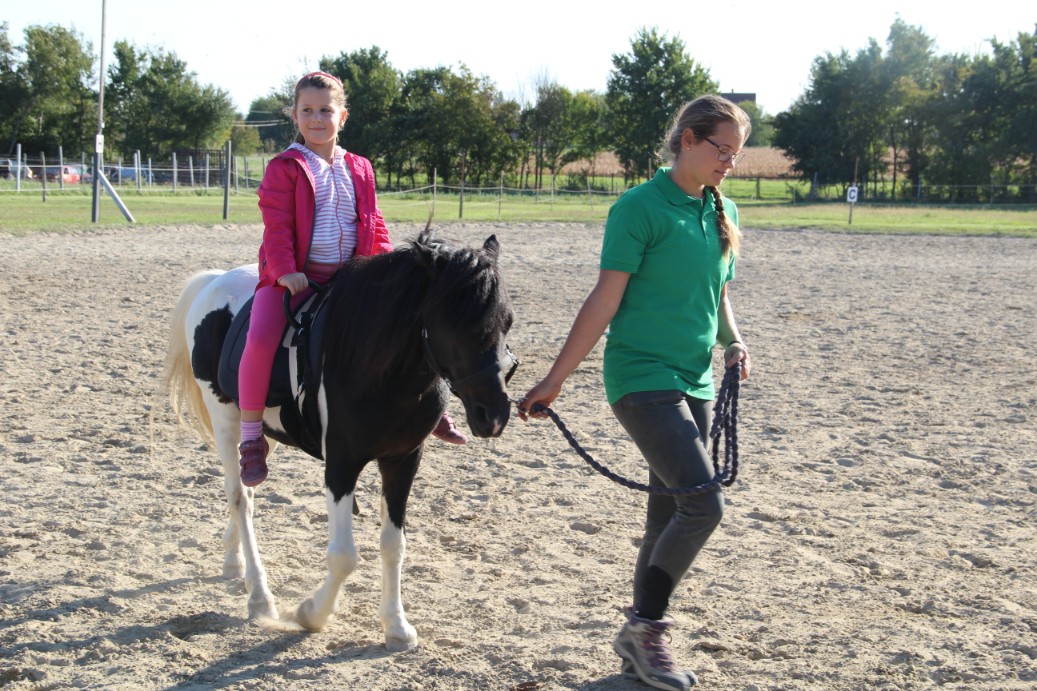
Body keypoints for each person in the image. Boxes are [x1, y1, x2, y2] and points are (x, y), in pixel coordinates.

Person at [518, 94, 753, 690]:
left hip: (696, 378)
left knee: (669, 512)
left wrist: (733, 342)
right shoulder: (638, 207)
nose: (729, 162)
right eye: (722, 149)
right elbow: (605, 298)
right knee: (704, 505)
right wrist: (555, 379)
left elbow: (717, 294)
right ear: (688, 140)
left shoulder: (721, 209)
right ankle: (646, 629)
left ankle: (637, 649)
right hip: (642, 377)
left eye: (736, 153)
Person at [238, 71, 466, 488]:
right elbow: (277, 225)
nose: (317, 118)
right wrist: (286, 270)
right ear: (295, 116)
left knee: (412, 326)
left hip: (354, 277)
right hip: (296, 278)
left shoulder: (359, 167)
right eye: (308, 110)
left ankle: (432, 409)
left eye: (325, 110)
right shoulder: (285, 167)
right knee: (261, 335)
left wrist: (387, 267)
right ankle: (252, 436)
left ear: (342, 116)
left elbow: (373, 222)